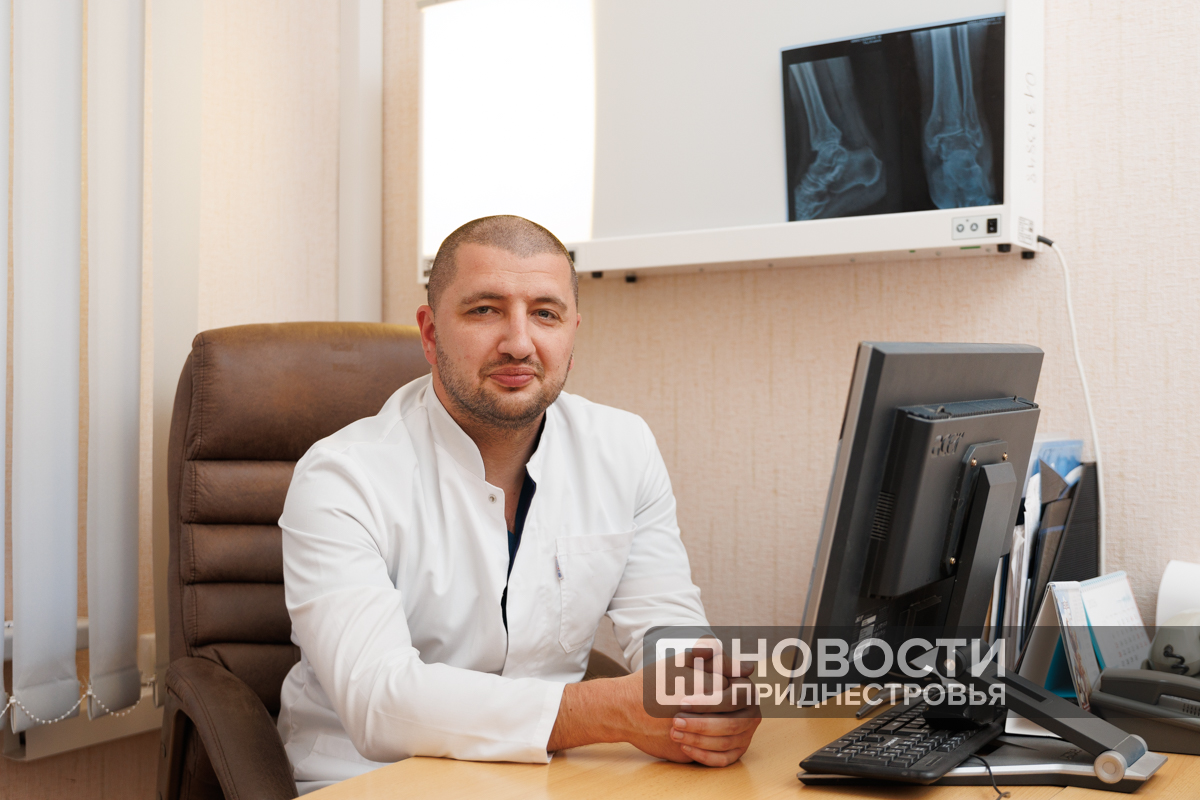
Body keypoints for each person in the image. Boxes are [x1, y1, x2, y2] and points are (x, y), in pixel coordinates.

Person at [277, 215, 760, 792]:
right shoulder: (340, 477)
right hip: (372, 780)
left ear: (572, 334)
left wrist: (704, 705)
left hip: (551, 777)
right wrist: (610, 711)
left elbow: (667, 628)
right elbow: (380, 701)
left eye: (545, 314)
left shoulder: (623, 448)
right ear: (430, 334)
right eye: (485, 310)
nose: (519, 343)